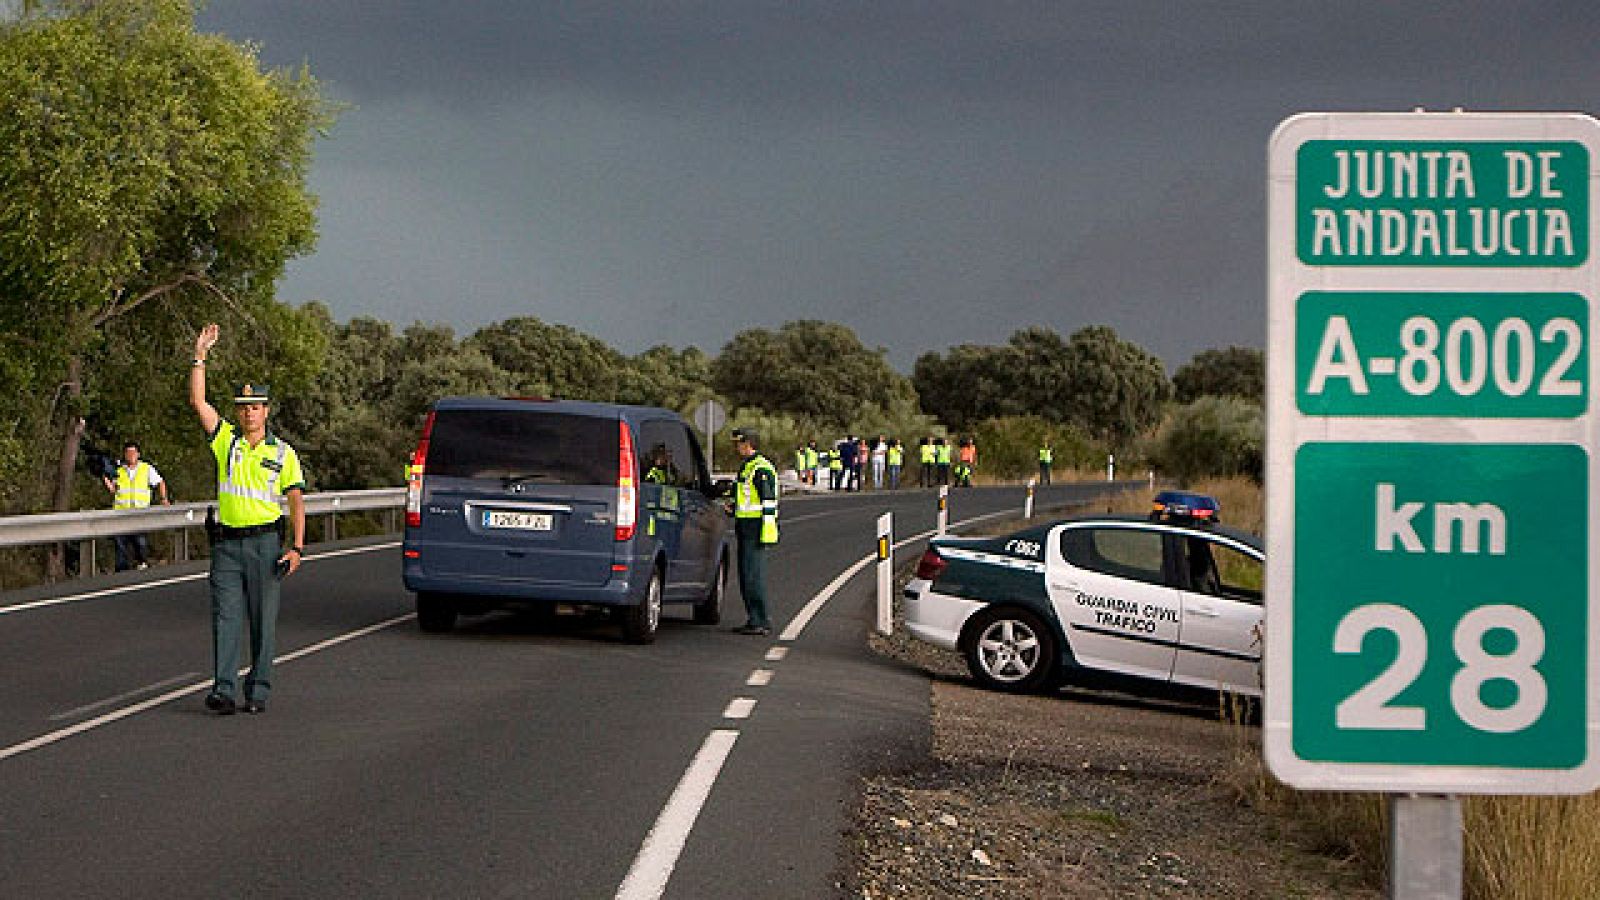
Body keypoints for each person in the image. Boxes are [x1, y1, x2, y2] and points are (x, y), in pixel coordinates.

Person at [189, 323, 307, 716]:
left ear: (266, 410)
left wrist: (297, 547)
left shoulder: (283, 453)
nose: (248, 412)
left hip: (264, 545)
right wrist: (199, 356)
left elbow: (295, 500)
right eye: (242, 406)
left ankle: (257, 690)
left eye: (255, 406)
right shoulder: (227, 441)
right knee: (225, 618)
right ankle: (223, 689)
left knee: (262, 622)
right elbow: (199, 402)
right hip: (227, 545)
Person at [729, 427, 778, 635]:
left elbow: (767, 502)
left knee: (752, 575)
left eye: (739, 443)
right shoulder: (748, 467)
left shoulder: (760, 469)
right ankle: (754, 618)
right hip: (745, 523)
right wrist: (733, 507)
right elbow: (745, 497)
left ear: (748, 444)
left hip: (755, 526)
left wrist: (766, 531)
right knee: (745, 574)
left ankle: (760, 620)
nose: (736, 447)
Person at [103, 441, 171, 570]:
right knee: (120, 543)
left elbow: (160, 482)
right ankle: (121, 570)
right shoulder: (118, 470)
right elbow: (113, 489)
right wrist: (105, 478)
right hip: (121, 513)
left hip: (139, 512)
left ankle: (141, 562)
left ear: (138, 454)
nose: (130, 455)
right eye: (128, 453)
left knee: (140, 541)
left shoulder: (146, 469)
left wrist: (164, 499)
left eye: (133, 453)